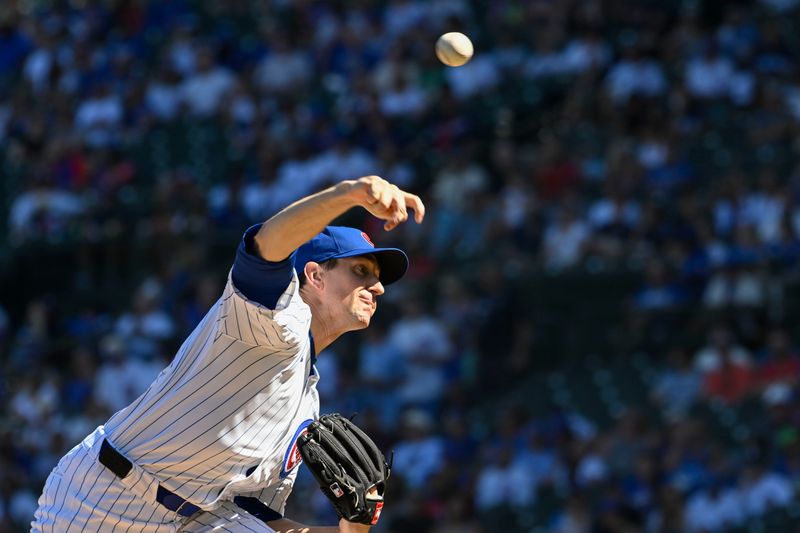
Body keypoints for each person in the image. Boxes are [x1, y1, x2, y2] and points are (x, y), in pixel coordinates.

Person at [32, 175, 425, 532]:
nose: (378, 288)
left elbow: (259, 516)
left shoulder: (308, 405)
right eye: (361, 272)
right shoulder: (276, 321)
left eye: (377, 278)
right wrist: (350, 194)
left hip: (197, 520)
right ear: (315, 276)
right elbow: (263, 250)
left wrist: (351, 529)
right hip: (103, 501)